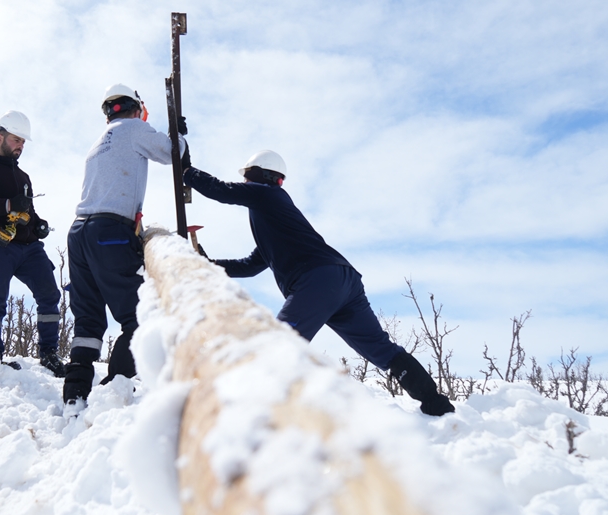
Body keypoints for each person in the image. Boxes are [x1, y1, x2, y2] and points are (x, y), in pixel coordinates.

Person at [183, 150, 455, 416]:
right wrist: (209, 264)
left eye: (247, 176)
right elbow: (251, 265)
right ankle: (435, 404)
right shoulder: (275, 218)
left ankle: (262, 414)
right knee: (380, 348)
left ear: (259, 176)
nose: (244, 182)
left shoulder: (267, 194)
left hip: (319, 280)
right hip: (344, 280)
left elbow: (220, 190)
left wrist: (185, 171)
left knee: (279, 343)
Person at [63, 83, 187, 405]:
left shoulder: (98, 144)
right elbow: (172, 151)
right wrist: (180, 135)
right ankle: (112, 392)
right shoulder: (134, 128)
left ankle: (75, 396)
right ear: (135, 108)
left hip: (79, 233)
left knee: (88, 321)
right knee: (140, 314)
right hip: (110, 231)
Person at [0, 110, 64, 374]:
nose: (20, 146)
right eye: (15, 140)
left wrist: (38, 223)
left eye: (22, 142)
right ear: (0, 137)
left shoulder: (24, 177)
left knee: (50, 294)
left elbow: (26, 210)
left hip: (29, 248)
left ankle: (49, 354)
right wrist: (7, 204)